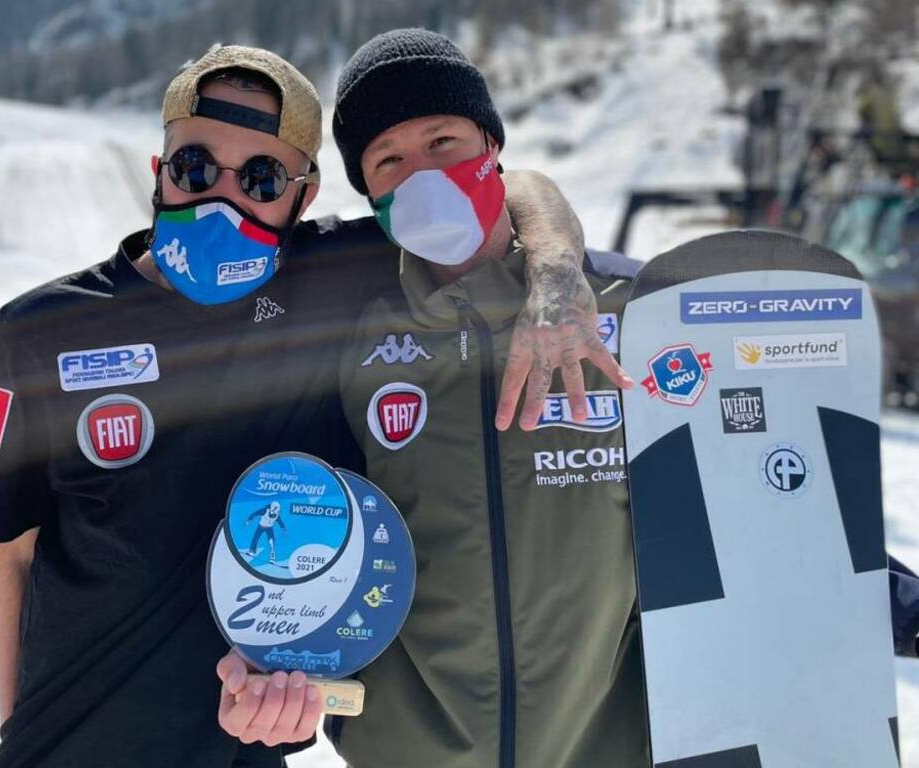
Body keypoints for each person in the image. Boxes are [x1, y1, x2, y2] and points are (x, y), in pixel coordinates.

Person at [216, 29, 919, 767]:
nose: (422, 172)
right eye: (390, 159)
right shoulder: (350, 331)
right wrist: (276, 681)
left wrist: (898, 603)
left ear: (492, 144)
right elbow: (312, 544)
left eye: (444, 140)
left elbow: (758, 490)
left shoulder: (633, 311)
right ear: (370, 192)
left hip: (604, 745)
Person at [0, 43, 622, 768]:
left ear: (302, 198)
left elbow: (504, 185)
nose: (221, 198)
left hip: (245, 748)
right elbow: (13, 558)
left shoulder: (333, 279)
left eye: (262, 176)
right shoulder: (43, 330)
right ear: (159, 172)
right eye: (195, 167)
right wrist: (19, 734)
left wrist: (557, 265)